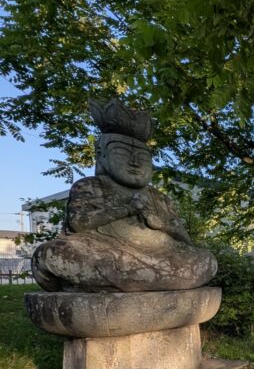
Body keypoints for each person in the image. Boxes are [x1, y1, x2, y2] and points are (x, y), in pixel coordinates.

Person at [31, 99, 216, 292]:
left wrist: (162, 224)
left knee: (207, 260)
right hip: (108, 250)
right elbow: (80, 224)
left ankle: (118, 283)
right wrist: (126, 209)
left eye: (142, 158)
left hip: (162, 253)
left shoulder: (158, 197)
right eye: (122, 153)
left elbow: (184, 239)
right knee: (54, 254)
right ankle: (149, 281)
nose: (135, 163)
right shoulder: (90, 186)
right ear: (102, 154)